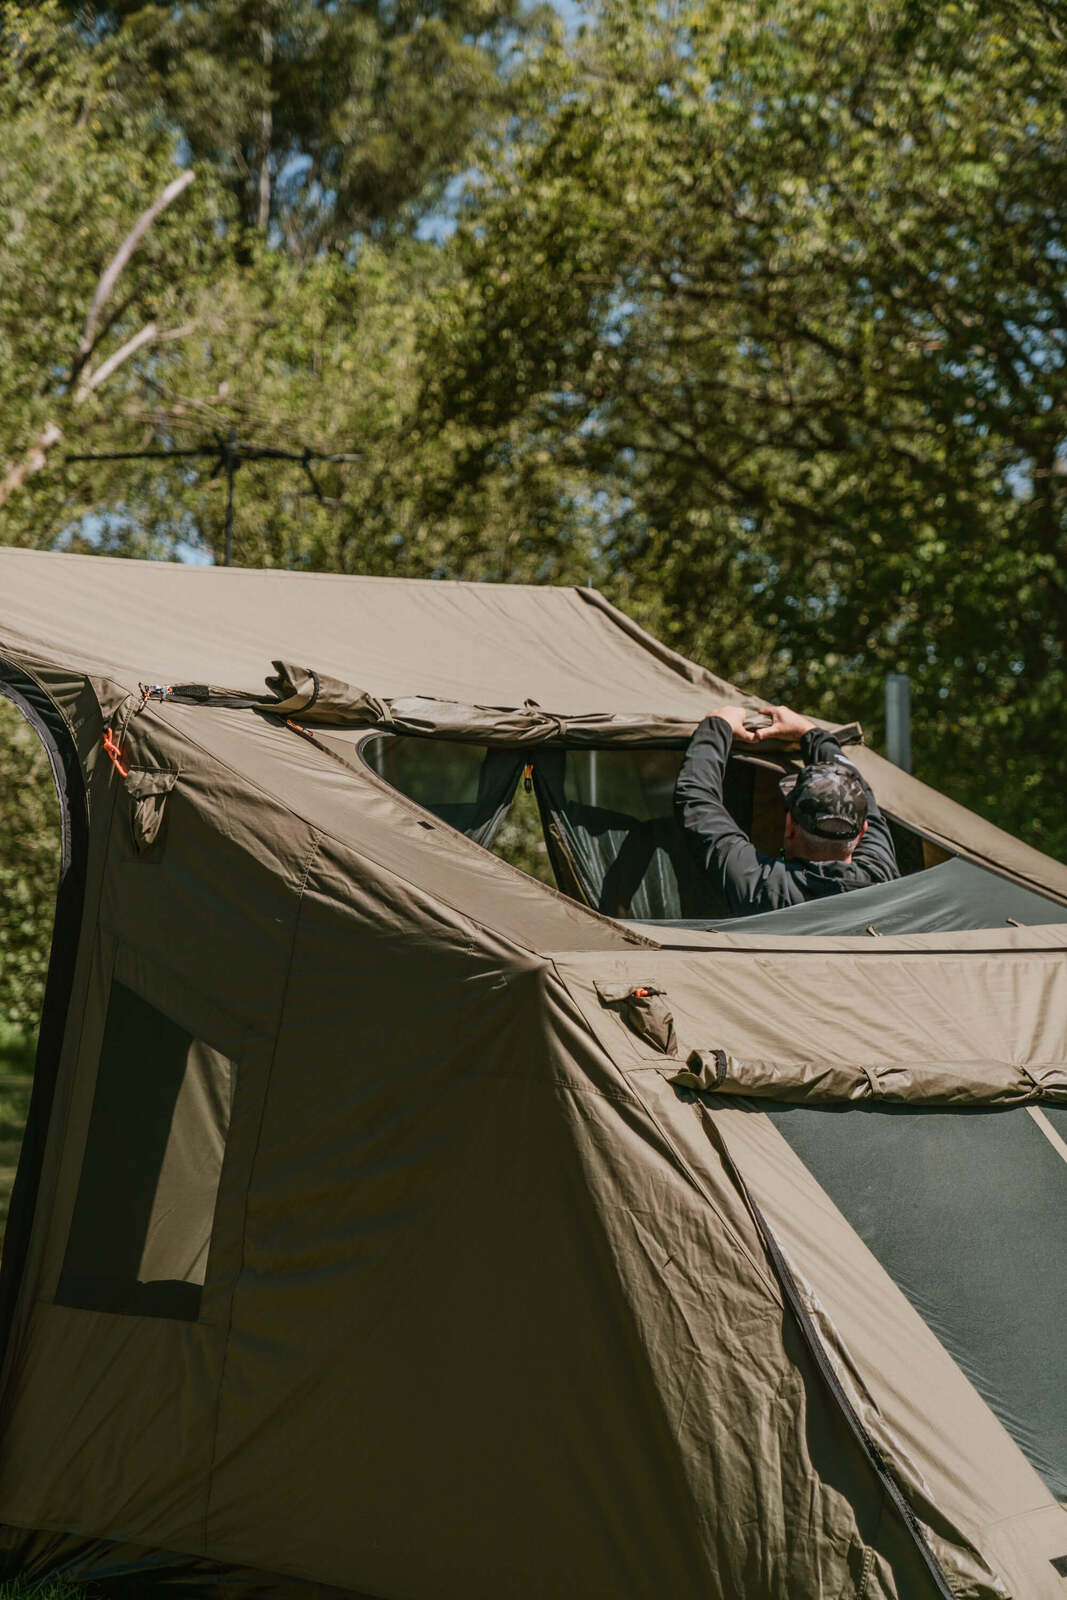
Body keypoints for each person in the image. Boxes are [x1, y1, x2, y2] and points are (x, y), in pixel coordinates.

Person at [674, 702, 899, 917]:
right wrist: (812, 733)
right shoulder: (881, 882)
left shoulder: (762, 887)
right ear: (862, 832)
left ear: (790, 825)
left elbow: (696, 800)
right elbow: (697, 800)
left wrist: (716, 725)